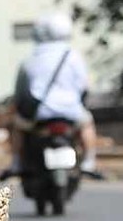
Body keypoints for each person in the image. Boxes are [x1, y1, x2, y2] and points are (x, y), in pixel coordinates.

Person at [9, 11, 98, 174]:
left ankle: (16, 163)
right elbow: (84, 86)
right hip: (71, 112)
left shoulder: (31, 58)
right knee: (87, 124)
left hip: (39, 114)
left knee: (17, 126)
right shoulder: (73, 56)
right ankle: (89, 161)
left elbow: (20, 91)